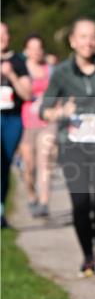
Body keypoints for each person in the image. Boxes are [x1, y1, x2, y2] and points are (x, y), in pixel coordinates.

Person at [41, 19, 95, 275]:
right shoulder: (61, 73)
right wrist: (59, 112)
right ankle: (88, 257)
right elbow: (44, 110)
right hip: (73, 147)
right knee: (80, 204)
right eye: (82, 37)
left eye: (92, 37)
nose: (88, 42)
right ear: (72, 41)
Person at [20, 34, 56, 218]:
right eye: (31, 48)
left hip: (47, 122)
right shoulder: (21, 68)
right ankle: (32, 195)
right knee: (29, 166)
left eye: (39, 48)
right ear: (26, 50)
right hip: (27, 123)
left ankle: (44, 202)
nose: (36, 52)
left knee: (45, 162)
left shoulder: (50, 69)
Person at [1, 21, 32, 228]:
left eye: (4, 34)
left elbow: (27, 94)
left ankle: (1, 208)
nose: (1, 38)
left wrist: (11, 74)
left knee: (4, 166)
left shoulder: (19, 61)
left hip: (12, 119)